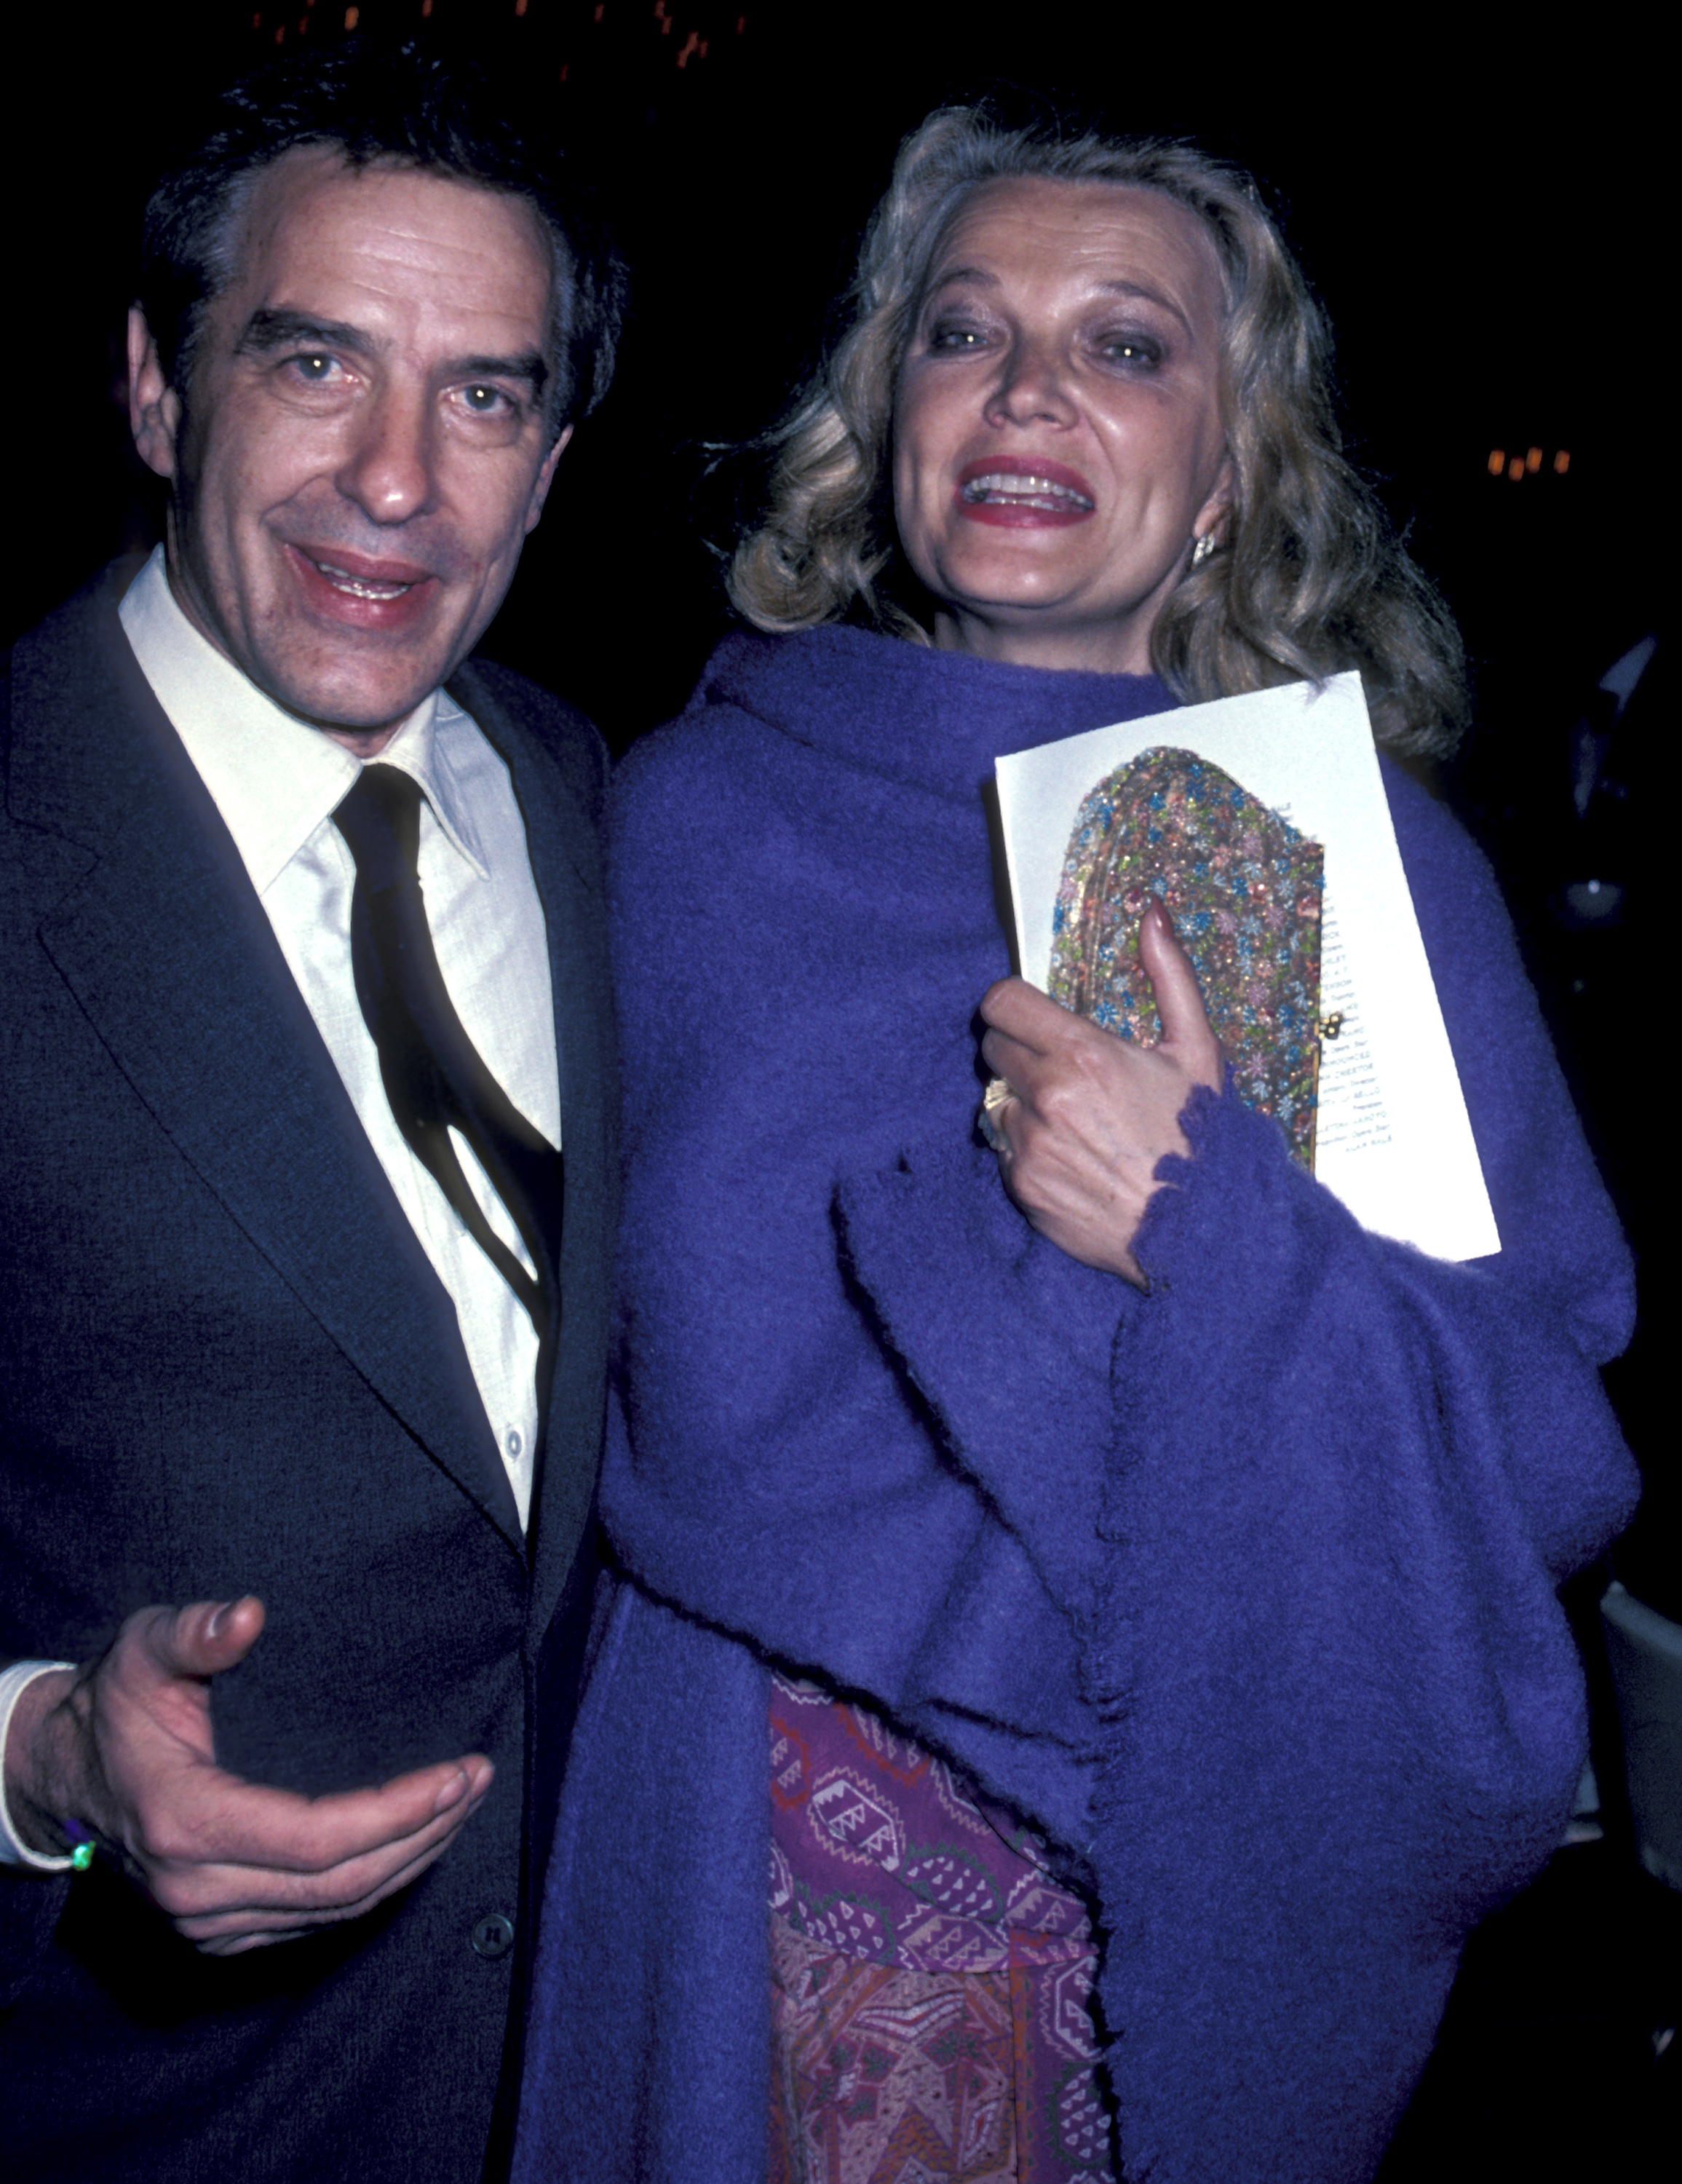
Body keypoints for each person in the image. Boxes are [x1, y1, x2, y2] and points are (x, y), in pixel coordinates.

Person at [512, 107, 1640, 2184]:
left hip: (1168, 1856)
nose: (1030, 389)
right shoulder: (685, 824)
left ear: (1227, 479)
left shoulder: (1347, 863)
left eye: (1126, 346)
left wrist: (1214, 1228)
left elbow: (1545, 1448)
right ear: (887, 420)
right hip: (733, 1829)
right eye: (967, 333)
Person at [1, 39, 623, 2183]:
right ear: (160, 390)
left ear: (548, 465)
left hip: (599, 2075)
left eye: (485, 396)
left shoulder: (602, 806)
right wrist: (41, 1749)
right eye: (314, 363)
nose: (392, 483)